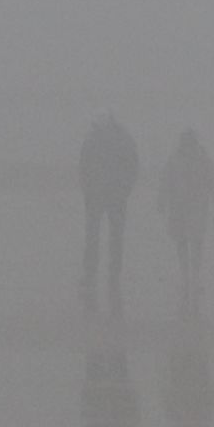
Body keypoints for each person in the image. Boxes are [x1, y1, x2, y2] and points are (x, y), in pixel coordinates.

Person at [78, 112, 140, 311]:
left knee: (95, 236)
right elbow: (133, 166)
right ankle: (110, 275)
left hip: (103, 194)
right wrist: (125, 189)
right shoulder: (124, 139)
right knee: (112, 237)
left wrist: (88, 188)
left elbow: (83, 167)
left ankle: (94, 274)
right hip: (112, 195)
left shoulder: (93, 139)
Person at [158, 128, 214, 312]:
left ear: (194, 142)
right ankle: (184, 275)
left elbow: (213, 182)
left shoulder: (203, 159)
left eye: (189, 142)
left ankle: (195, 276)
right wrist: (161, 200)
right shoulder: (174, 159)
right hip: (178, 206)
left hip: (197, 206)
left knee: (196, 240)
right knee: (181, 240)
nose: (187, 145)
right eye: (184, 142)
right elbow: (165, 179)